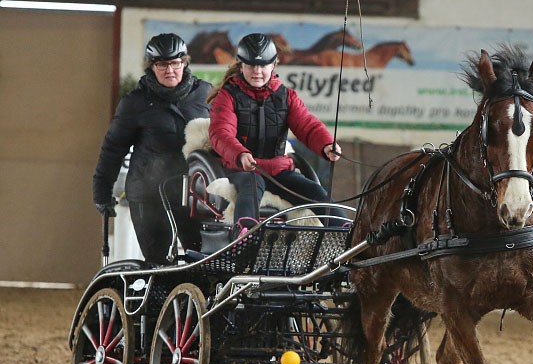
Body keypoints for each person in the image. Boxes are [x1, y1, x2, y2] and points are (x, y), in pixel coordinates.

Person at [207, 32, 345, 236]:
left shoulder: (286, 96)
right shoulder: (227, 96)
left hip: (280, 170)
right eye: (251, 65)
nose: (257, 71)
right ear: (241, 65)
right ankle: (244, 235)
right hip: (244, 169)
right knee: (251, 188)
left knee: (315, 191)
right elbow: (221, 133)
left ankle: (345, 232)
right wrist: (240, 154)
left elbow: (307, 125)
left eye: (263, 66)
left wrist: (326, 144)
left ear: (273, 65)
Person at [93, 33, 213, 264]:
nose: (170, 70)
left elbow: (225, 137)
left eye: (175, 63)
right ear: (152, 66)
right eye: (162, 65)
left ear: (184, 63)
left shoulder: (206, 94)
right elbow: (113, 149)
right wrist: (102, 192)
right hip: (149, 194)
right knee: (159, 263)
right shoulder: (135, 103)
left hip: (193, 194)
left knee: (201, 261)